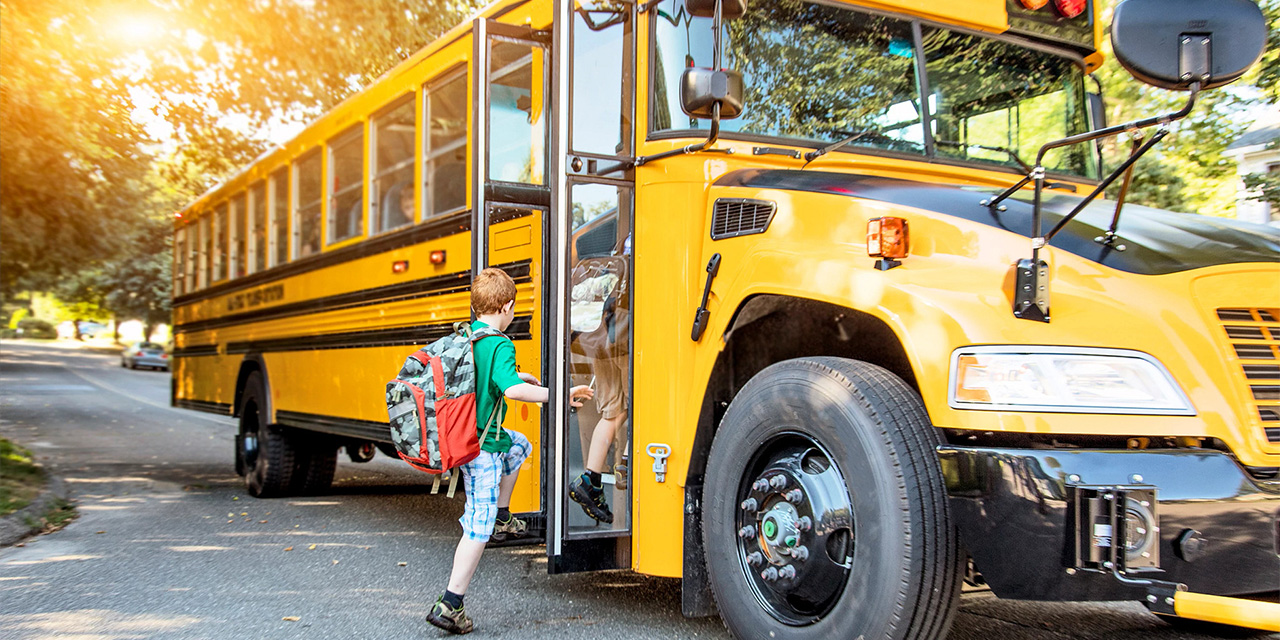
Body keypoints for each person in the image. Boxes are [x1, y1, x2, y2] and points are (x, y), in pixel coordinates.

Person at [426, 267, 593, 635]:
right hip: (480, 451)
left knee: (519, 445)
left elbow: (497, 380)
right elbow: (512, 391)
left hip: (474, 438)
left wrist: (521, 377)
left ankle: (503, 514)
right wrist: (557, 395)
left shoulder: (469, 335)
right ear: (507, 306)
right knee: (477, 527)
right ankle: (450, 603)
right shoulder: (501, 342)